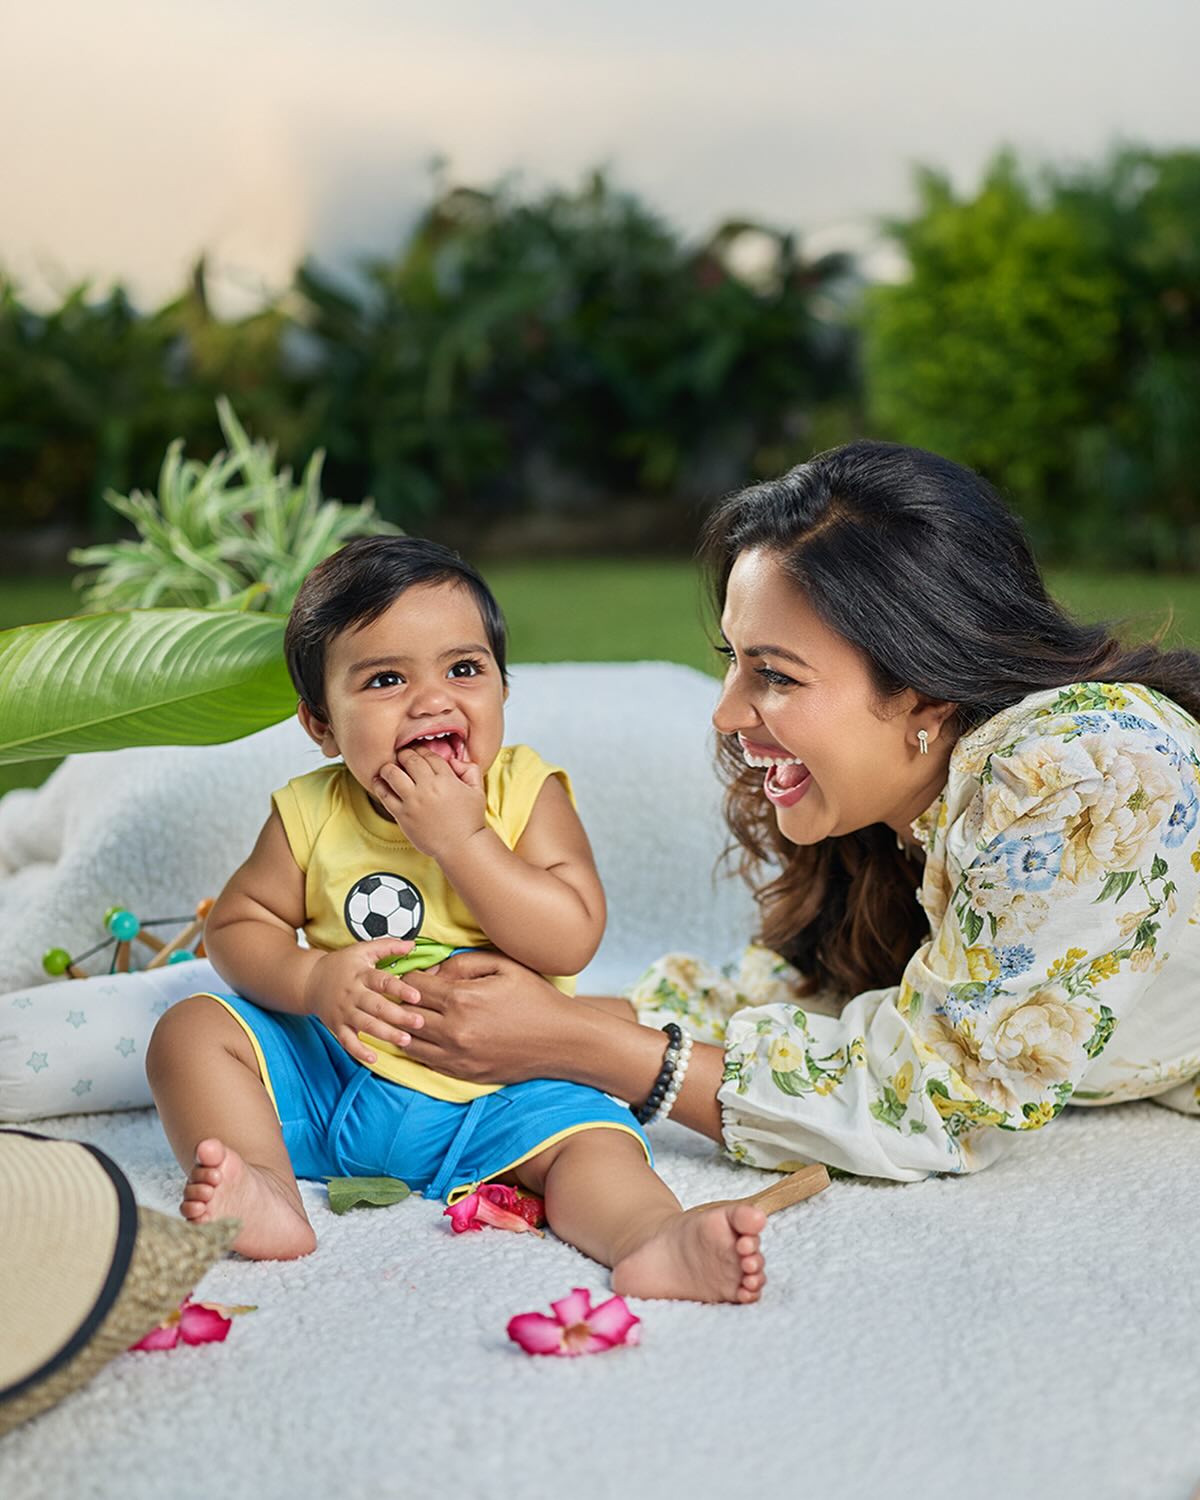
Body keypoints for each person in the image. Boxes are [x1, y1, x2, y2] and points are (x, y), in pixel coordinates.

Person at [375, 441, 1200, 1180]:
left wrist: (583, 1045)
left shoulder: (1089, 771)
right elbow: (805, 1000)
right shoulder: (906, 813)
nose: (725, 712)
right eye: (733, 661)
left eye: (774, 674)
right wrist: (502, 1016)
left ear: (924, 688)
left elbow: (939, 1098)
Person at [146, 536, 768, 1303]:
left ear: (503, 688)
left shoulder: (525, 793)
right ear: (321, 724)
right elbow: (238, 925)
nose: (432, 700)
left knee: (591, 1143)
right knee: (190, 1032)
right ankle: (266, 1187)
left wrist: (462, 840)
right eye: (385, 679)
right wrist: (312, 980)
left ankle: (651, 1238)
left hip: (503, 1092)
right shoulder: (311, 812)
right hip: (338, 1072)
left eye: (464, 669)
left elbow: (571, 936)